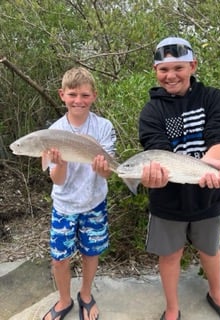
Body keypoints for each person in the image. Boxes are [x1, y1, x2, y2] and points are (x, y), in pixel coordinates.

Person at [139, 37, 220, 320]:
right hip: (168, 201)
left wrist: (213, 161)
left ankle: (217, 294)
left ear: (192, 66)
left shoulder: (214, 98)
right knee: (170, 255)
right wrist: (153, 179)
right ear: (155, 71)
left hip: (210, 195)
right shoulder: (152, 111)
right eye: (163, 69)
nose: (170, 75)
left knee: (210, 250)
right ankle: (173, 309)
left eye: (178, 68)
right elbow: (156, 150)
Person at [42, 67, 116, 320]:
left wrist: (102, 168)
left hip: (94, 202)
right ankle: (64, 300)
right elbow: (58, 180)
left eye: (84, 95)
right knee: (60, 258)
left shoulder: (103, 127)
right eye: (73, 94)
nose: (78, 101)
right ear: (62, 95)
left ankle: (85, 295)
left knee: (90, 253)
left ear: (93, 96)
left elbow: (107, 174)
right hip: (64, 205)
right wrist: (60, 163)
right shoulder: (53, 132)